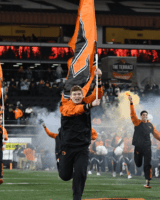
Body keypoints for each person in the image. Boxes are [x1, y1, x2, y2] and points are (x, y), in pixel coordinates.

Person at [59, 68, 103, 200]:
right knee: (65, 176)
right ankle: (60, 163)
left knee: (80, 173)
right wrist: (89, 106)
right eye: (75, 95)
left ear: (82, 95)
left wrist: (99, 79)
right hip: (67, 147)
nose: (77, 96)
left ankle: (77, 198)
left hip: (82, 147)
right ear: (70, 96)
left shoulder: (85, 101)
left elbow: (98, 95)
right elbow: (75, 111)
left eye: (79, 94)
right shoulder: (64, 106)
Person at [128, 95, 160, 188]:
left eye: (146, 115)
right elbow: (132, 114)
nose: (145, 116)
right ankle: (138, 165)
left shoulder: (150, 125)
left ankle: (147, 182)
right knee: (138, 163)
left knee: (147, 163)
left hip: (147, 146)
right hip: (138, 146)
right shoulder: (137, 122)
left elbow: (155, 134)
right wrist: (131, 102)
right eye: (143, 115)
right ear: (141, 116)